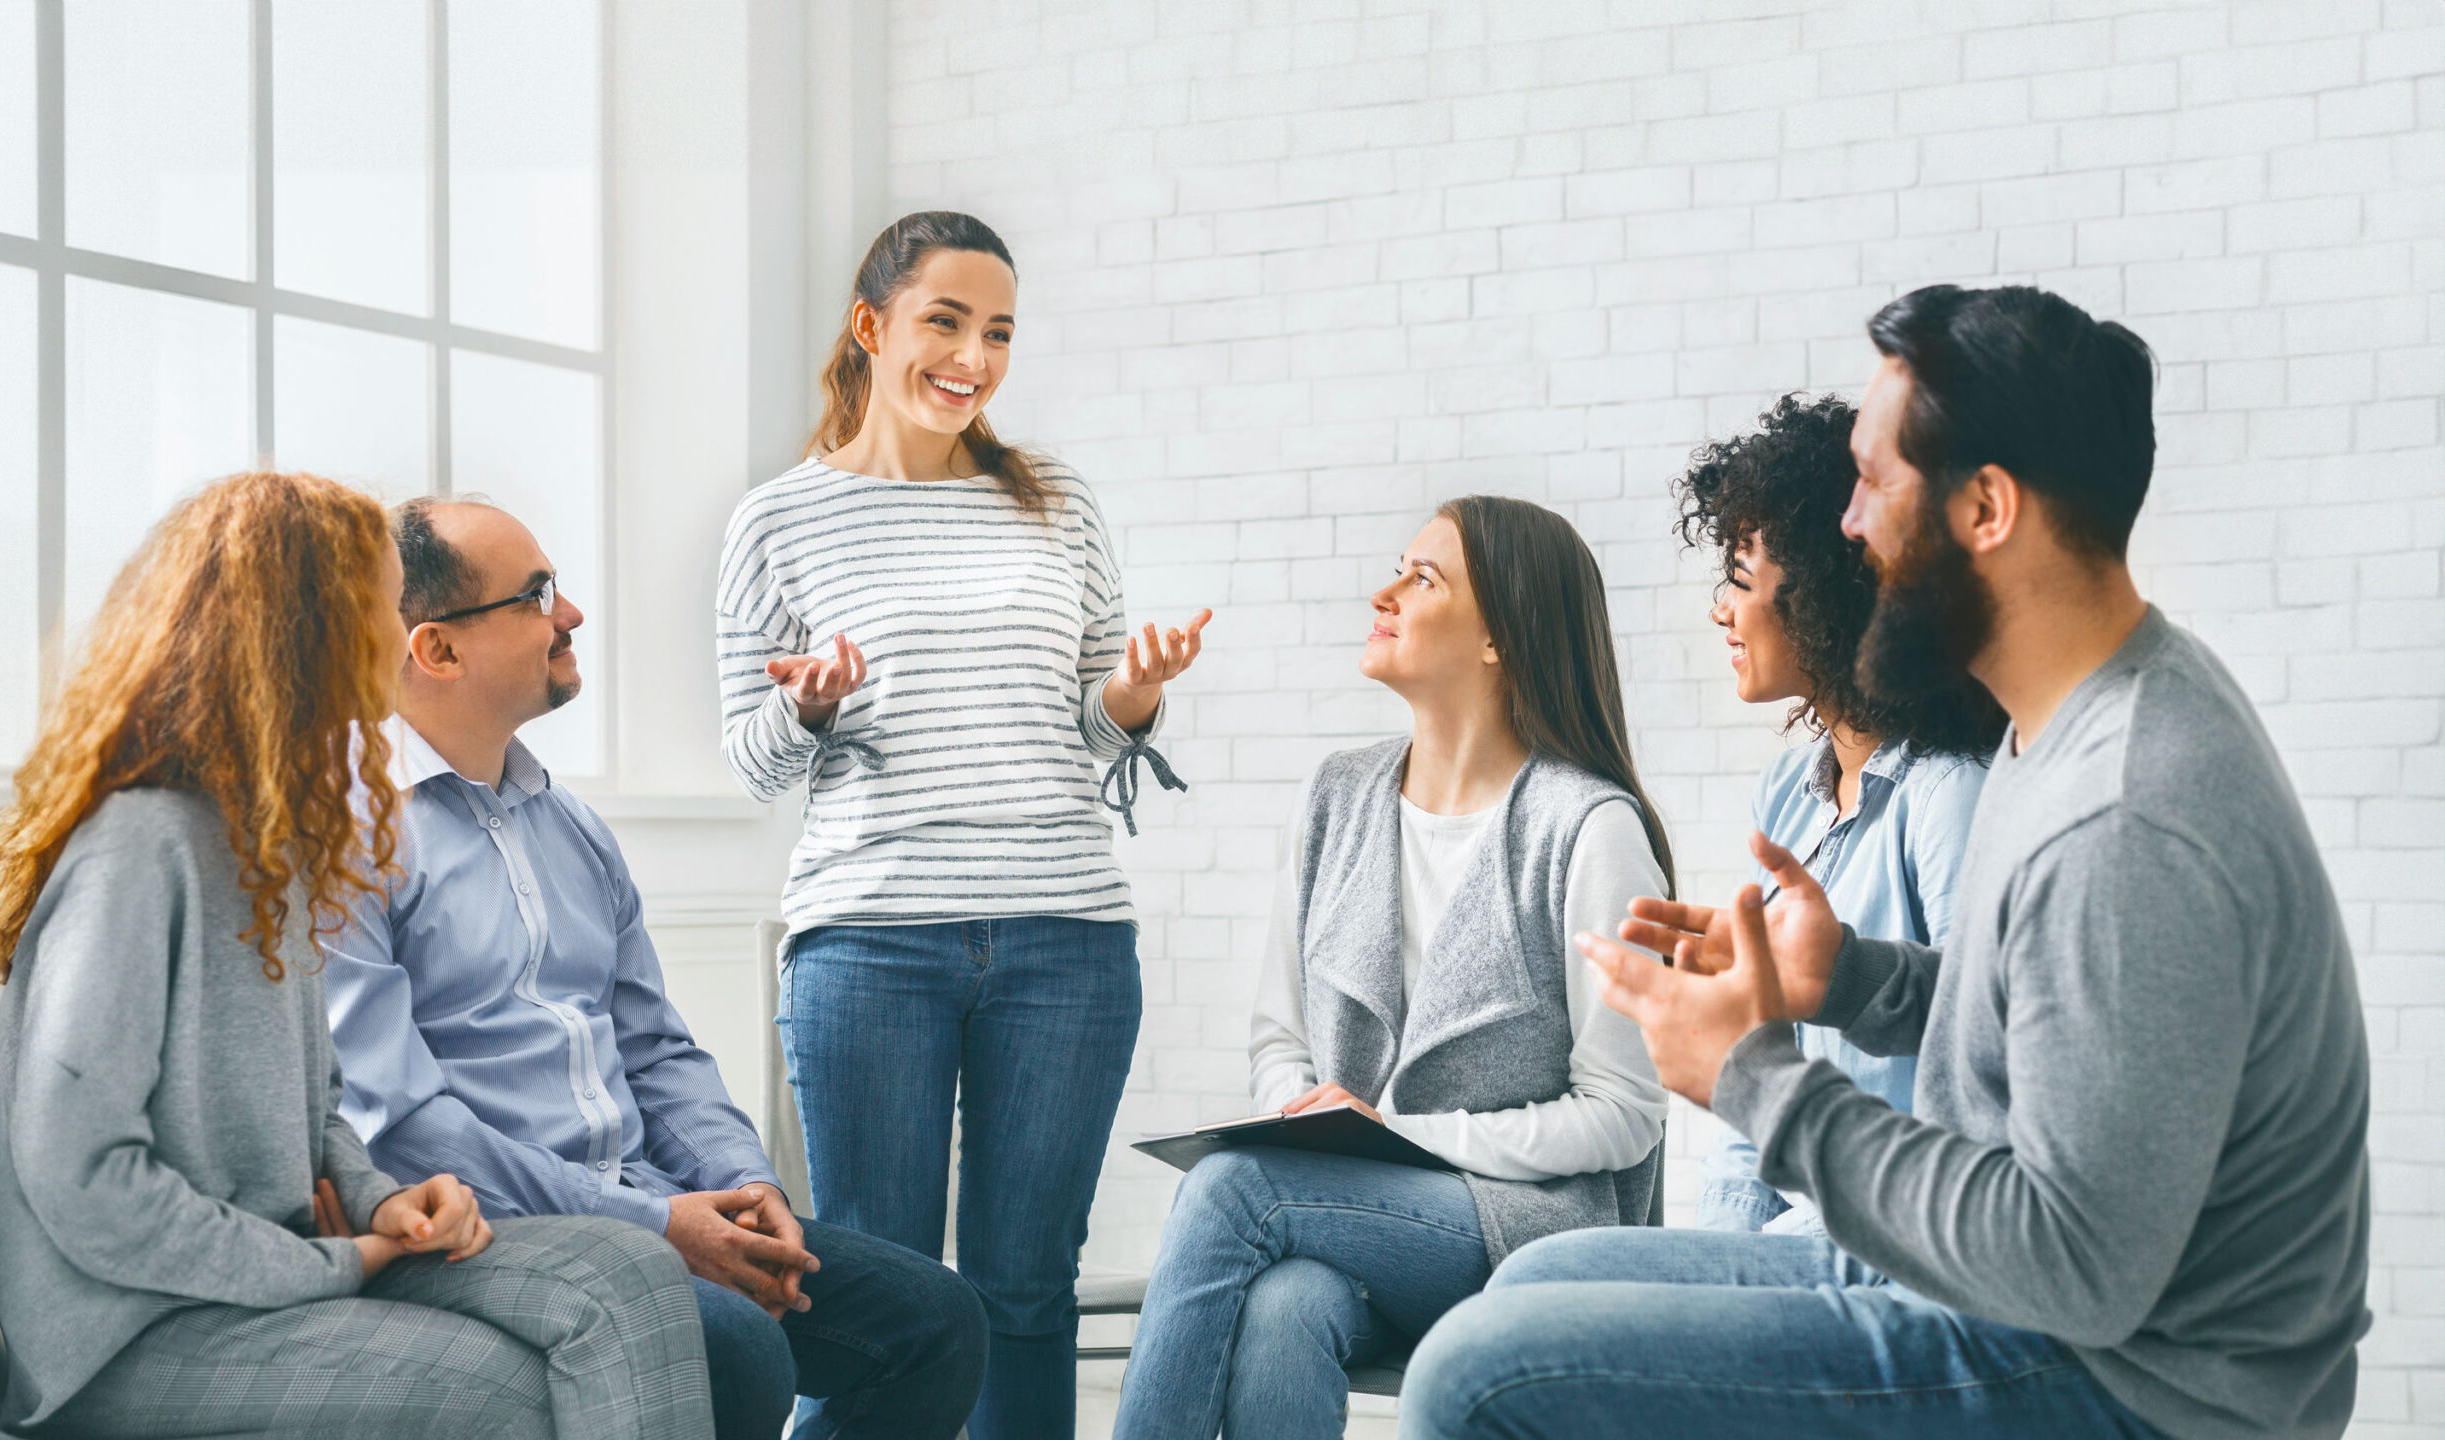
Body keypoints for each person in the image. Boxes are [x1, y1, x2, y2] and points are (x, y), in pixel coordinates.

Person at [1401, 285, 2371, 1440]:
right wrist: (1851, 977)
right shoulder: (2065, 712)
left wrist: (1750, 1078)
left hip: (2135, 1386)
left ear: (1987, 510)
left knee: (1478, 1373)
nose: (1848, 528)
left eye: (1873, 483)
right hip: (2023, 1308)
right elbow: (2047, 1033)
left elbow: (2075, 1266)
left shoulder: (2125, 815)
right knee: (1532, 1287)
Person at [0, 472, 711, 1440]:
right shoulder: (141, 849)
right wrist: (339, 1262)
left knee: (631, 1276)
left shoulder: (271, 841)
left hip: (274, 1269)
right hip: (135, 1332)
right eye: (383, 602)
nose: (404, 629)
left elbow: (317, 1108)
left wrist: (385, 1201)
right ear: (302, 628)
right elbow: (87, 1181)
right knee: (501, 1390)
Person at [322, 496, 989, 1440]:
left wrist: (747, 1185)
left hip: (648, 1200)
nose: (573, 614)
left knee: (937, 1321)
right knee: (735, 1346)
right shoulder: (346, 840)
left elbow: (657, 1050)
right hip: (492, 1230)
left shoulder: (573, 830)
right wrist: (657, 1228)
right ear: (437, 650)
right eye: (538, 594)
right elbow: (400, 1127)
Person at [716, 211, 1209, 1438]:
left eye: (997, 332)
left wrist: (1132, 697)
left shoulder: (1058, 504)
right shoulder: (777, 521)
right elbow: (749, 758)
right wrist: (815, 711)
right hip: (869, 941)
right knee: (880, 1289)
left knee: (1024, 1287)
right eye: (946, 321)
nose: (973, 357)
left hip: (1065, 940)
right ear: (873, 326)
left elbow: (1093, 727)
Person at [1113, 496, 1675, 1440]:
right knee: (1285, 1307)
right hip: (1352, 1217)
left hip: (1528, 1231)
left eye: (1423, 579)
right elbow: (1280, 1036)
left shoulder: (1589, 830)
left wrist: (1406, 1136)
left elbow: (1625, 1115)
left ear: (1500, 636)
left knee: (1231, 1186)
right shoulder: (1338, 794)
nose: (1384, 592)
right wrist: (1312, 1116)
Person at [1674, 394, 2003, 1237]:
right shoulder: (1788, 793)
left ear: (1827, 599)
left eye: (1742, 584)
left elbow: (1986, 1051)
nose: (1722, 609)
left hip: (1903, 1230)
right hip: (1797, 1222)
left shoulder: (1946, 794)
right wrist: (1714, 1251)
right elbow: (1764, 1088)